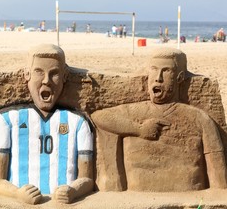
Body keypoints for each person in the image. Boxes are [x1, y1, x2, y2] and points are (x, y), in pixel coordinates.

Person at [91, 48, 227, 192]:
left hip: (187, 201)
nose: (158, 78)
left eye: (166, 71)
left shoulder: (199, 118)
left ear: (179, 78)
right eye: (154, 70)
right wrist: (138, 129)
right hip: (138, 201)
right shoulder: (134, 112)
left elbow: (219, 179)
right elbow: (99, 116)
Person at [0, 44, 94, 204]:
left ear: (64, 76)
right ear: (27, 74)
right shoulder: (7, 121)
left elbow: (87, 178)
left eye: (54, 74)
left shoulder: (78, 123)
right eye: (39, 72)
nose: (46, 80)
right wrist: (17, 194)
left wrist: (73, 191)